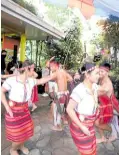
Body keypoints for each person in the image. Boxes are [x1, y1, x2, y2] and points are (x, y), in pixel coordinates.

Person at [1, 60, 55, 155]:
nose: (34, 71)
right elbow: (1, 92)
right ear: (26, 68)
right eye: (33, 68)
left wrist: (53, 72)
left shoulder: (30, 80)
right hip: (13, 110)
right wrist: (7, 107)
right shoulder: (12, 80)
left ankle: (21, 146)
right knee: (17, 134)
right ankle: (13, 149)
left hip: (25, 109)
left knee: (26, 131)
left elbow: (42, 80)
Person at [46, 57, 73, 131]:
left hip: (60, 95)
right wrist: (63, 79)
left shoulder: (56, 73)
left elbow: (46, 78)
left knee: (56, 111)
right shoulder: (63, 71)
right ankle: (60, 124)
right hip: (64, 94)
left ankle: (58, 127)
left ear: (55, 65)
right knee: (59, 110)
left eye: (51, 66)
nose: (50, 68)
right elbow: (71, 78)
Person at [95, 62, 119, 143]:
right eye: (99, 71)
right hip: (104, 105)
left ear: (107, 72)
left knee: (97, 122)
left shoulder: (107, 84)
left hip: (111, 106)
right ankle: (103, 137)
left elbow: (97, 92)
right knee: (98, 119)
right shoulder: (101, 79)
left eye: (102, 72)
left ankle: (114, 131)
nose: (100, 73)